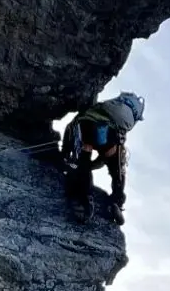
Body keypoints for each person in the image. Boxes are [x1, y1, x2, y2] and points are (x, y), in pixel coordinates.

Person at [61, 91, 144, 221]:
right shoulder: (122, 119)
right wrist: (92, 165)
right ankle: (116, 201)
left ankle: (84, 200)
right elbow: (104, 160)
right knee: (116, 168)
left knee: (84, 155)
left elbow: (71, 148)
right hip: (112, 136)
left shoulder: (97, 109)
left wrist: (68, 159)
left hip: (88, 126)